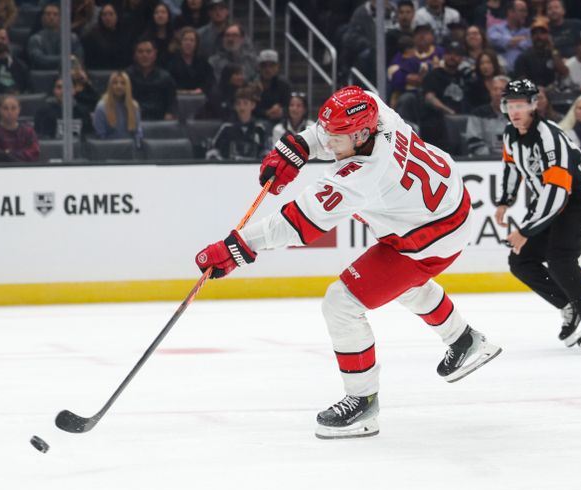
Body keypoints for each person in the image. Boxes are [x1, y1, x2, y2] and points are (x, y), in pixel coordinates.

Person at [194, 85, 502, 439]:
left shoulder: (363, 175)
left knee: (341, 303)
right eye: (325, 132)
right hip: (442, 206)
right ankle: (464, 341)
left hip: (431, 236)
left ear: (360, 135)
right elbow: (330, 127)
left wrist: (236, 248)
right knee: (400, 285)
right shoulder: (375, 111)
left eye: (335, 138)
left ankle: (363, 402)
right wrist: (297, 147)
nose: (327, 141)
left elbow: (295, 224)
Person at [494, 78, 581, 353]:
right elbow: (512, 167)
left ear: (534, 105)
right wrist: (504, 201)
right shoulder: (510, 134)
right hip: (548, 202)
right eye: (509, 105)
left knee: (561, 259)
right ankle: (569, 306)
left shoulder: (549, 136)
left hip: (574, 202)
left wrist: (525, 231)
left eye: (521, 105)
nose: (514, 112)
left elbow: (558, 193)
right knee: (521, 260)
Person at [205, 87, 267, 160]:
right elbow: (213, 150)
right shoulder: (226, 128)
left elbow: (267, 151)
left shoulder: (259, 129)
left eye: (245, 103)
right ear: (235, 106)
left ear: (253, 105)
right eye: (238, 103)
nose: (242, 107)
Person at [126, 37, 178, 120]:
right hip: (133, 120)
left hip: (160, 121)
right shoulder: (127, 76)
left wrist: (170, 114)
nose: (144, 55)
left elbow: (172, 103)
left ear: (155, 54)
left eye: (148, 52)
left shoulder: (165, 77)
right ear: (135, 55)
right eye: (140, 52)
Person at [513, 17, 567, 89]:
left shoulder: (554, 54)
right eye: (535, 33)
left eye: (542, 33)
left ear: (548, 36)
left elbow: (564, 73)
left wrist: (552, 48)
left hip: (553, 91)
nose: (538, 37)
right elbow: (521, 81)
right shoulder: (523, 57)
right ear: (531, 37)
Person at [0, 94, 40, 163]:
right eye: (5, 108)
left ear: (19, 110)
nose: (10, 112)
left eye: (13, 108)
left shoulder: (28, 132)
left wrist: (8, 153)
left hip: (24, 169)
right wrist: (16, 154)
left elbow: (34, 154)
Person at [92, 71, 143, 146]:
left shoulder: (134, 106)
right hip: (108, 149)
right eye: (115, 83)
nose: (119, 86)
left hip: (130, 150)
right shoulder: (101, 107)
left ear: (128, 86)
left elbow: (138, 133)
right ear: (110, 86)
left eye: (123, 83)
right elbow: (100, 135)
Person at [27, 3, 84, 70]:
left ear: (60, 18)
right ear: (42, 18)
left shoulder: (72, 38)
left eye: (55, 14)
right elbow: (39, 60)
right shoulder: (35, 39)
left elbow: (78, 59)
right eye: (48, 14)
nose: (51, 17)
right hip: (43, 76)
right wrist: (66, 59)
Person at [81, 2, 133, 70]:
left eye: (111, 14)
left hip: (120, 72)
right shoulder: (91, 35)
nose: (107, 17)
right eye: (104, 15)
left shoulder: (125, 33)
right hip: (98, 72)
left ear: (117, 15)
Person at [166, 26, 214, 95]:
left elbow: (210, 80)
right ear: (180, 42)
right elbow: (168, 81)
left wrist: (201, 89)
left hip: (199, 96)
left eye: (192, 40)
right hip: (177, 96)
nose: (188, 43)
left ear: (196, 43)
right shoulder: (172, 60)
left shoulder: (202, 61)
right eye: (185, 40)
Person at [488, 0, 530, 69]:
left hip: (523, 74)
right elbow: (493, 40)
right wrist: (520, 39)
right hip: (502, 73)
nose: (525, 14)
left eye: (526, 11)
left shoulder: (528, 32)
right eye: (522, 11)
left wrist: (506, 42)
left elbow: (528, 46)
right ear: (511, 12)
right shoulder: (496, 28)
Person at [254, 49, 291, 124]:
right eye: (264, 66)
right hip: (255, 121)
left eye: (272, 65)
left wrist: (281, 111)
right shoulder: (252, 83)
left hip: (279, 122)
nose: (268, 69)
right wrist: (266, 113)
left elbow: (289, 106)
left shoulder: (284, 85)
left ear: (277, 67)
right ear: (259, 67)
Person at [142, 2, 175, 66]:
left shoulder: (174, 38)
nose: (160, 15)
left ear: (168, 16)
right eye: (156, 13)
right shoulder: (145, 38)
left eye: (163, 12)